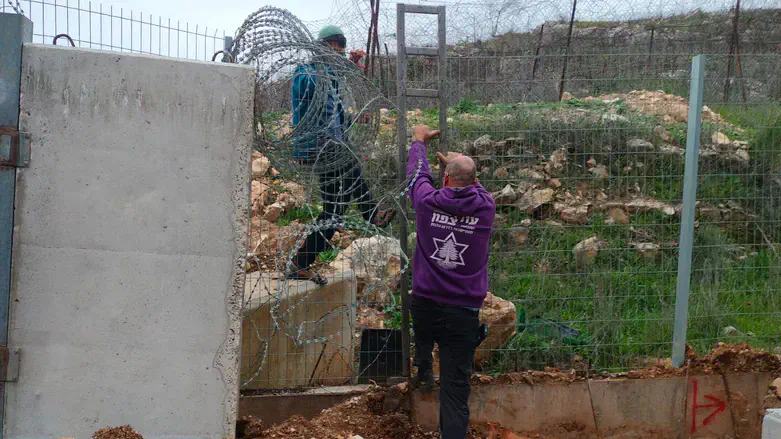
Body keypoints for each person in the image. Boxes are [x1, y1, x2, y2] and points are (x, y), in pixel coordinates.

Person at [406, 125, 496, 439]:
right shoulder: (486, 208)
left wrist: (419, 143)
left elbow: (417, 178)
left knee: (423, 333)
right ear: (473, 182)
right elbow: (477, 188)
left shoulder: (427, 203)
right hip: (462, 315)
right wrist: (462, 165)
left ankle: (422, 366)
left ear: (445, 179)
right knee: (456, 393)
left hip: (426, 306)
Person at [288, 25, 394, 285]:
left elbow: (334, 117)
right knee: (349, 169)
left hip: (332, 144)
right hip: (317, 147)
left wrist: (355, 117)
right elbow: (310, 91)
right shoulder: (305, 72)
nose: (339, 53)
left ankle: (300, 263)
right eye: (334, 49)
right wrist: (339, 67)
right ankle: (371, 213)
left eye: (341, 50)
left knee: (334, 212)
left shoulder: (331, 77)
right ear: (321, 48)